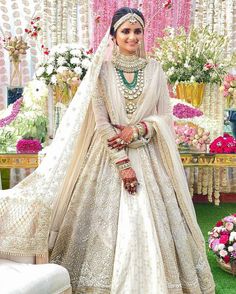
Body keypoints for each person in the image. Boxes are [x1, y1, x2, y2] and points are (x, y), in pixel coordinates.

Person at [0, 6, 215, 294]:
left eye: (137, 30)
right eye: (125, 31)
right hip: (108, 159)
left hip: (149, 155)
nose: (132, 36)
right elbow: (101, 122)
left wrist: (138, 129)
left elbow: (164, 116)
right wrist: (123, 163)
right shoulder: (101, 71)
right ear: (113, 36)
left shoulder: (155, 70)